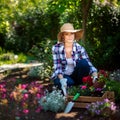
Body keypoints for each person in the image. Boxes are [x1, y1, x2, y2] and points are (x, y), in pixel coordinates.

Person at [51, 23, 98, 91]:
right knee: (69, 82)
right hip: (63, 75)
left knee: (84, 63)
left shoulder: (79, 48)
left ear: (74, 35)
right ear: (63, 36)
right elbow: (58, 67)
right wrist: (62, 80)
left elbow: (89, 65)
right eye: (66, 34)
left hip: (75, 76)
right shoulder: (56, 48)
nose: (70, 36)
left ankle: (79, 86)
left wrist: (95, 76)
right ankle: (69, 87)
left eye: (72, 34)